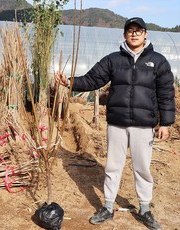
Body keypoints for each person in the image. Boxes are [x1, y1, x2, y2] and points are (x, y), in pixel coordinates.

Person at [55, 17, 176, 229]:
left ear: (146, 34)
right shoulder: (113, 60)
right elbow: (93, 79)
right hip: (117, 123)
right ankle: (108, 207)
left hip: (143, 125)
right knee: (113, 166)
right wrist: (69, 82)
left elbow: (166, 93)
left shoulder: (158, 61)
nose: (134, 34)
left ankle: (145, 209)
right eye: (130, 30)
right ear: (124, 35)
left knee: (142, 168)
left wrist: (165, 123)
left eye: (139, 30)